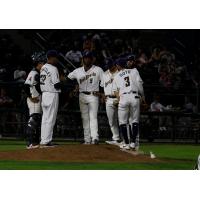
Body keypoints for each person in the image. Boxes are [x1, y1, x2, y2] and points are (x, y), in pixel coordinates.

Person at [67, 50, 104, 144]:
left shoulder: (98, 69)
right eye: (85, 58)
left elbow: (104, 83)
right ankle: (87, 139)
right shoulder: (77, 71)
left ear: (92, 60)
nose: (87, 59)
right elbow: (68, 79)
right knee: (84, 118)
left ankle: (95, 138)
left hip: (93, 95)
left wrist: (102, 93)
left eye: (89, 58)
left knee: (93, 117)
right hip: (82, 95)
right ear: (83, 59)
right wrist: (74, 87)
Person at [113, 58, 145, 150]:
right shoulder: (134, 71)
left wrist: (118, 99)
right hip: (135, 96)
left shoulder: (117, 75)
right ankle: (133, 143)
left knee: (123, 122)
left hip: (123, 97)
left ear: (119, 66)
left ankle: (126, 143)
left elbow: (115, 91)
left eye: (117, 65)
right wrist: (143, 96)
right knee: (134, 121)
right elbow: (139, 85)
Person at [24, 52, 46, 149]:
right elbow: (25, 86)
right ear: (38, 63)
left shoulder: (38, 73)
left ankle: (35, 142)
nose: (43, 64)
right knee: (34, 119)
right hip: (34, 99)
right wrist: (30, 97)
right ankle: (30, 143)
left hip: (37, 99)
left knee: (37, 120)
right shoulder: (33, 73)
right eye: (42, 62)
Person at [40, 50, 61, 147]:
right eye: (55, 57)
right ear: (51, 57)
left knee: (45, 118)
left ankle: (43, 139)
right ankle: (47, 141)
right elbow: (57, 85)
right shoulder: (53, 68)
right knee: (50, 118)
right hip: (52, 94)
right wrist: (63, 80)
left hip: (44, 94)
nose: (57, 59)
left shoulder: (43, 67)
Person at [100, 58, 120, 145]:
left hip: (119, 98)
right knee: (111, 120)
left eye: (109, 65)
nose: (108, 67)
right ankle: (116, 138)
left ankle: (128, 139)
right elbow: (102, 86)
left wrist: (120, 98)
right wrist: (102, 96)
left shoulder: (120, 73)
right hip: (108, 99)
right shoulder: (104, 74)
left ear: (114, 64)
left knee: (123, 120)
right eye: (107, 66)